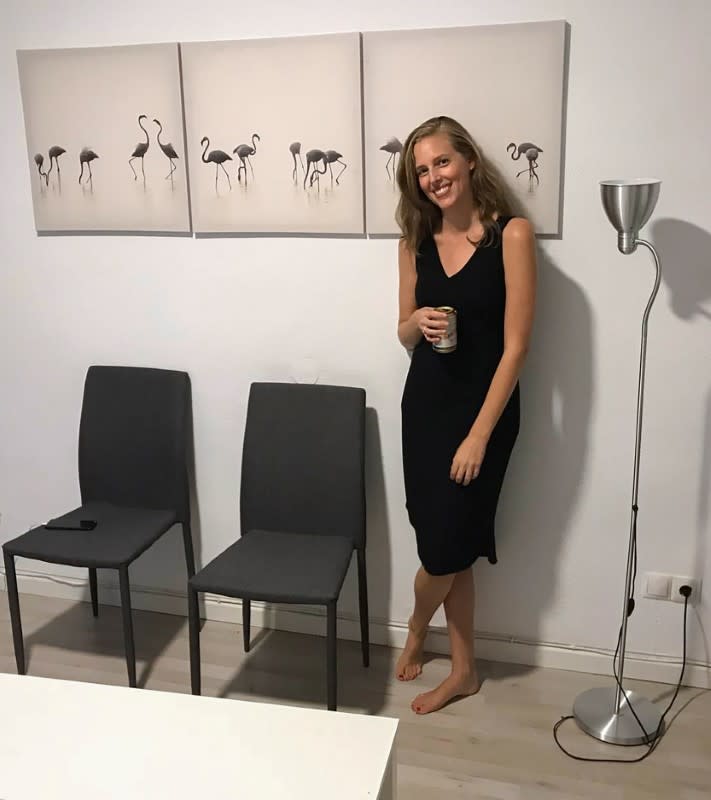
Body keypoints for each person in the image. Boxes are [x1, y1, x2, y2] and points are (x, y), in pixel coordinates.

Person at [395, 116, 536, 714]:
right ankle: (466, 670)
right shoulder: (414, 242)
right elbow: (402, 333)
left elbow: (518, 347)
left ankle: (414, 624)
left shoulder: (513, 236)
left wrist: (479, 435)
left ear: (470, 160)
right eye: (422, 171)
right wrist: (417, 324)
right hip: (425, 408)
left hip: (484, 418)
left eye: (441, 163)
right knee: (449, 544)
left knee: (446, 550)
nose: (433, 178)